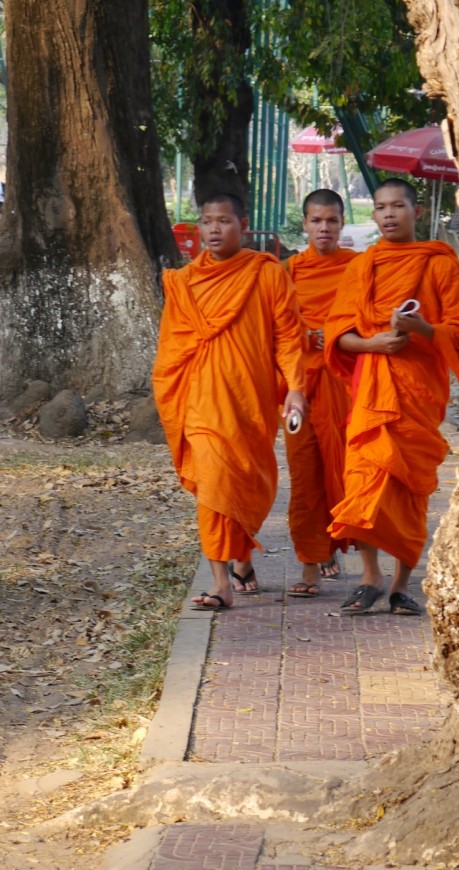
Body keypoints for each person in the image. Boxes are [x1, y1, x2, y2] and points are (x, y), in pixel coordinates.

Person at [324, 178, 459, 615]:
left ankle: (400, 584)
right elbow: (337, 336)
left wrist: (422, 330)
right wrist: (372, 344)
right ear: (372, 215)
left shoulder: (439, 264)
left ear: (416, 211)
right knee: (363, 478)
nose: (389, 214)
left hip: (418, 390)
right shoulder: (362, 267)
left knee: (411, 485)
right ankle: (370, 577)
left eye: (398, 206)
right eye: (380, 207)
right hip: (372, 389)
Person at [152, 193, 307, 611]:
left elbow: (289, 336)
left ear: (244, 224)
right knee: (215, 487)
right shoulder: (184, 284)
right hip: (203, 403)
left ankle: (243, 561)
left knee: (245, 483)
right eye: (207, 222)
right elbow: (171, 350)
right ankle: (220, 582)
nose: (214, 229)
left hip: (251, 401)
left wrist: (295, 387)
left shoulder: (266, 273)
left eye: (224, 221)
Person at [283, 189, 358, 598]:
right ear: (305, 225)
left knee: (349, 471)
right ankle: (310, 564)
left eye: (331, 220)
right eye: (316, 221)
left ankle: (357, 557)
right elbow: (276, 328)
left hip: (346, 384)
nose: (323, 228)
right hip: (300, 388)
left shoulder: (359, 268)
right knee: (305, 475)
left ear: (342, 224)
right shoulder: (290, 272)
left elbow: (371, 319)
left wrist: (330, 336)